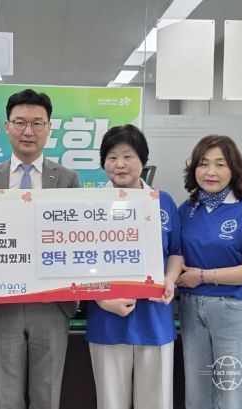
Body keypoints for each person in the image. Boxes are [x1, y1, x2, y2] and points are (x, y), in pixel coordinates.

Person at [0, 88, 79, 409]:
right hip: (1, 303)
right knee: (7, 397)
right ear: (7, 126)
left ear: (49, 128)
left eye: (37, 123)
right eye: (20, 122)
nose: (28, 131)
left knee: (48, 395)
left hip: (52, 302)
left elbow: (76, 236)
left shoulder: (68, 179)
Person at [84, 124, 183, 409]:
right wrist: (101, 299)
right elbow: (76, 260)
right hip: (107, 319)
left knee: (156, 402)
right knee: (111, 403)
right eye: (112, 157)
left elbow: (176, 252)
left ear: (143, 160)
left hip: (155, 316)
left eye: (128, 156)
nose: (120, 164)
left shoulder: (163, 201)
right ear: (103, 162)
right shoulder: (88, 203)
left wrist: (169, 279)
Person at [176, 134, 242, 409]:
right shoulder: (187, 210)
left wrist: (204, 276)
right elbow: (175, 257)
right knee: (197, 393)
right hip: (190, 308)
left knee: (234, 392)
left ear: (233, 170)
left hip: (232, 307)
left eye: (220, 164)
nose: (211, 172)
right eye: (203, 163)